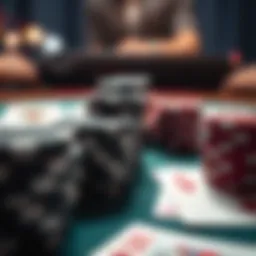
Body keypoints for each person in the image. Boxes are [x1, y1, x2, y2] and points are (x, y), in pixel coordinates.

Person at [86, 0, 201, 56]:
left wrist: (144, 48)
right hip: (116, 81)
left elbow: (189, 44)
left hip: (166, 79)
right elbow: (96, 51)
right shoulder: (98, 4)